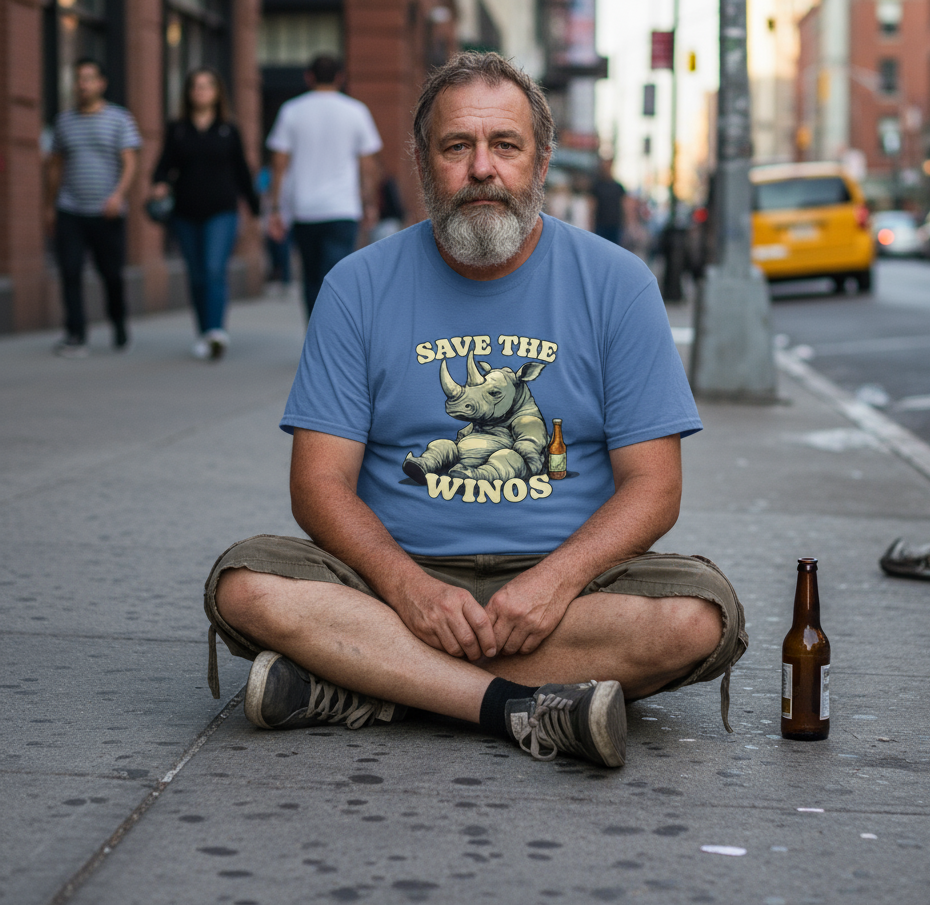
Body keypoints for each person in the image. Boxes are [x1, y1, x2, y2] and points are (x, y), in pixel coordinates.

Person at [204, 52, 747, 769]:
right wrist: (410, 590)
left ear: (541, 159)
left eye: (506, 146)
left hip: (570, 586)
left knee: (695, 619)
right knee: (245, 588)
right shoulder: (354, 286)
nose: (482, 168)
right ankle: (516, 707)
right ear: (423, 164)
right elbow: (319, 484)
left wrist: (553, 584)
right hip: (391, 577)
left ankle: (374, 683)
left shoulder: (618, 283)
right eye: (457, 146)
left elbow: (655, 486)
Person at [151, 68, 259, 361]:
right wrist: (159, 184)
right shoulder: (178, 129)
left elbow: (242, 173)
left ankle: (215, 332)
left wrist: (255, 210)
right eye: (196, 86)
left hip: (222, 211)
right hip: (185, 213)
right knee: (196, 275)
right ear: (188, 92)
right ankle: (203, 332)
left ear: (217, 93)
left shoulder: (228, 129)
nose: (201, 91)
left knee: (213, 269)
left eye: (207, 86)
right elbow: (162, 167)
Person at [265, 54, 383, 318]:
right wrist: (370, 203)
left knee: (310, 278)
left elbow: (279, 165)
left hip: (304, 209)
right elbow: (368, 166)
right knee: (338, 278)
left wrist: (275, 208)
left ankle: (316, 339)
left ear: (309, 77)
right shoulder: (356, 111)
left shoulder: (291, 111)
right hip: (342, 209)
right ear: (340, 78)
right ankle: (333, 342)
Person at [46, 57, 141, 357]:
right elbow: (56, 166)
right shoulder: (63, 122)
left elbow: (130, 162)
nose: (82, 84)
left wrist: (118, 196)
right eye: (78, 79)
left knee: (111, 274)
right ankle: (76, 334)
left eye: (88, 78)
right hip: (70, 209)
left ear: (101, 83)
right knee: (70, 271)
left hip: (107, 210)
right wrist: (49, 205)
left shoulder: (119, 119)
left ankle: (119, 323)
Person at [590, 157, 628, 245]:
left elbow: (625, 206)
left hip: (615, 225)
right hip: (600, 225)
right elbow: (592, 206)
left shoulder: (618, 187)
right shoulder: (597, 186)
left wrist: (626, 225)